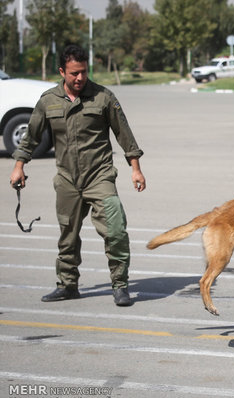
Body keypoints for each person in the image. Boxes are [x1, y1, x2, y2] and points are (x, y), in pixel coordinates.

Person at [8, 44, 146, 306]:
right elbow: (31, 137)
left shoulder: (104, 97)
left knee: (115, 231)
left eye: (83, 72)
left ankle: (120, 285)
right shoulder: (48, 100)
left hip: (100, 176)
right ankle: (67, 285)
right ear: (62, 71)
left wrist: (135, 169)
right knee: (67, 236)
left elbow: (124, 135)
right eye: (74, 73)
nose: (80, 78)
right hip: (67, 180)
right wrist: (19, 166)